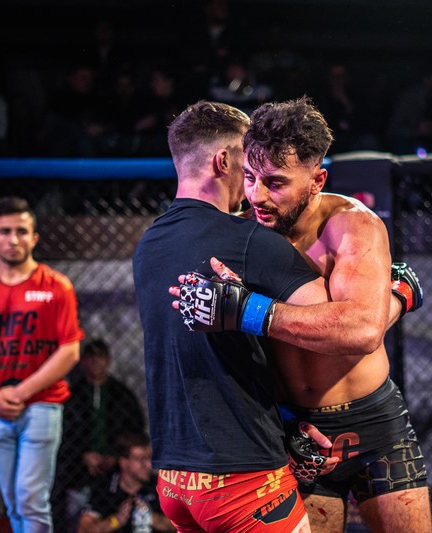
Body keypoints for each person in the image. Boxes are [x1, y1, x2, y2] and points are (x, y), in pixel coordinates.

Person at [239, 97, 431, 533]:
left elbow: (361, 331)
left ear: (316, 180)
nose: (257, 195)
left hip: (375, 423)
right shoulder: (241, 231)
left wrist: (251, 312)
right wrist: (395, 300)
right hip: (296, 431)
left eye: (275, 182)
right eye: (249, 177)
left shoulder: (352, 225)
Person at [132, 100, 322, 533]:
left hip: (175, 479)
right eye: (248, 160)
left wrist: (285, 420)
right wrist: (396, 295)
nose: (255, 176)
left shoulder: (148, 245)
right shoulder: (249, 241)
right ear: (223, 161)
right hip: (243, 477)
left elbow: (204, 352)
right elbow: (342, 326)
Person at [0, 196, 85, 533]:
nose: (13, 239)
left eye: (21, 231)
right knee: (13, 504)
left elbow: (70, 351)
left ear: (34, 237)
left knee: (31, 500)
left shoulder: (56, 286)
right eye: (5, 231)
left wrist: (19, 393)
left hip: (41, 405)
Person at [56, 338, 147, 532]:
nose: (96, 362)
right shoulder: (72, 396)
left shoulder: (121, 395)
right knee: (76, 522)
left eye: (100, 357)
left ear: (108, 360)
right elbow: (61, 434)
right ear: (83, 361)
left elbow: (135, 431)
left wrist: (116, 456)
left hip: (116, 477)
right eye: (91, 357)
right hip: (78, 474)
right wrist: (82, 455)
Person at [78, 432, 175, 533]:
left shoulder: (160, 485)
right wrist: (116, 520)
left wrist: (150, 517)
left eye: (149, 458)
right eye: (141, 459)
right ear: (124, 463)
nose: (149, 465)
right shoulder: (105, 487)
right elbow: (84, 529)